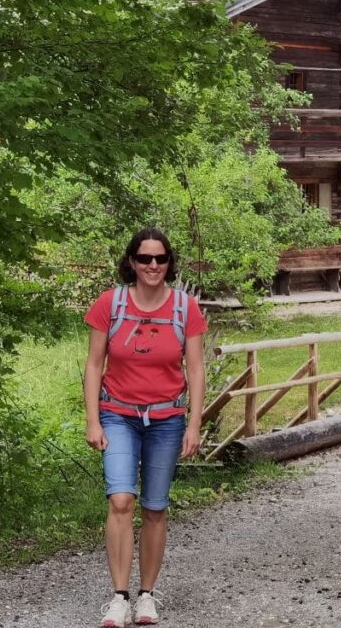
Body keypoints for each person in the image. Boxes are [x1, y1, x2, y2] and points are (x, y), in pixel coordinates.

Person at [83, 228, 207, 627]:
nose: (153, 266)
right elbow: (93, 365)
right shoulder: (110, 303)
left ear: (169, 263)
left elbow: (196, 369)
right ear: (132, 262)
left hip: (167, 419)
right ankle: (119, 596)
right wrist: (92, 420)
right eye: (144, 259)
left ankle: (147, 595)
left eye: (160, 259)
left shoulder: (185, 308)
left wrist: (194, 423)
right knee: (121, 500)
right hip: (118, 415)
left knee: (155, 507)